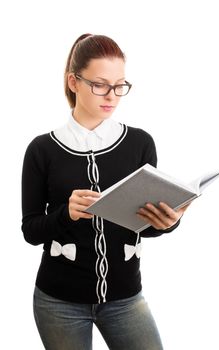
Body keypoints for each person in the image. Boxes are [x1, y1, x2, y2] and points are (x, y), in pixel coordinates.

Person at [21, 34, 189, 350]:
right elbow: (30, 230)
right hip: (58, 303)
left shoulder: (140, 144)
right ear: (73, 82)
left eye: (120, 85)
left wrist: (167, 222)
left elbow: (142, 226)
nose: (112, 95)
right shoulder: (42, 150)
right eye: (100, 84)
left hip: (126, 299)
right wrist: (65, 215)